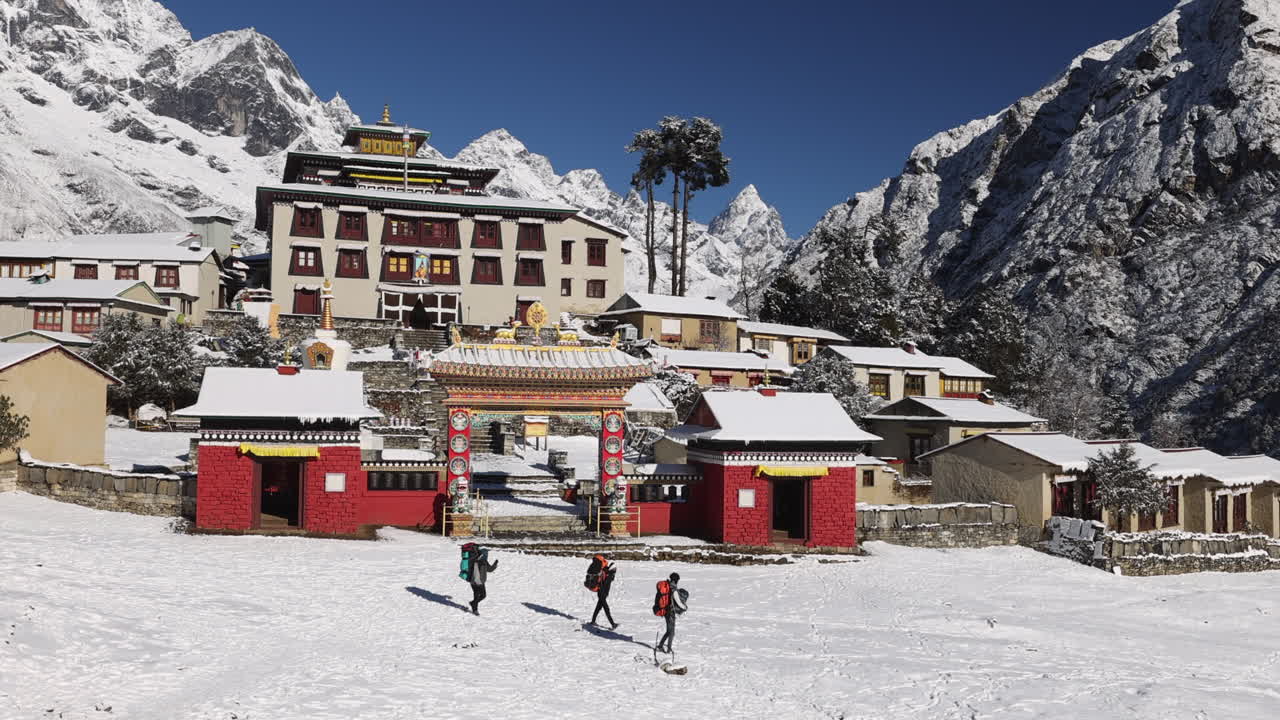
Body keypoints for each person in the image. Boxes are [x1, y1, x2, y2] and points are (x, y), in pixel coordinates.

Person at [655, 572, 687, 654]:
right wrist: (685, 607)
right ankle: (668, 649)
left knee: (668, 631)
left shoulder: (667, 586)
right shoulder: (673, 589)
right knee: (671, 632)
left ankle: (660, 645)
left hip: (665, 611)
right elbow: (678, 602)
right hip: (670, 613)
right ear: (676, 580)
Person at [467, 546, 498, 616]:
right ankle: (474, 608)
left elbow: (489, 569)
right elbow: (490, 569)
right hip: (477, 581)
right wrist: (495, 564)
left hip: (476, 581)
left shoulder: (476, 560)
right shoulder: (481, 561)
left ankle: (474, 606)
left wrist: (494, 564)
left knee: (480, 595)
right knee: (480, 595)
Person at [590, 559, 618, 629]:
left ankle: (593, 621)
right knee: (606, 609)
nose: (615, 570)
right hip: (602, 593)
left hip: (601, 593)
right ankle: (613, 624)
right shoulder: (609, 575)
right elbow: (605, 583)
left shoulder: (606, 572)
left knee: (598, 608)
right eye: (615, 569)